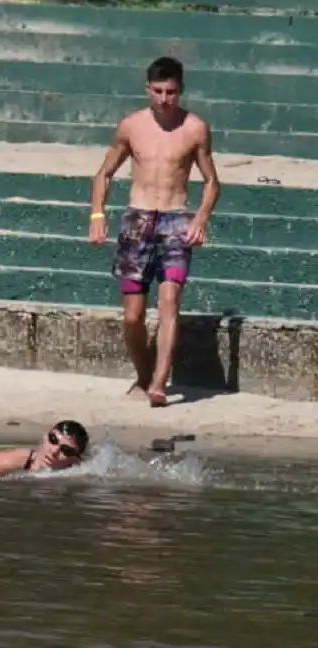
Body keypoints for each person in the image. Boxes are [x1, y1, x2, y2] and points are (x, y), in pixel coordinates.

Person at [88, 56, 221, 408]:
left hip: (176, 219)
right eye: (158, 91)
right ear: (148, 89)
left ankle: (160, 383)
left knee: (170, 302)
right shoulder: (131, 126)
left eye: (171, 92)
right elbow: (103, 173)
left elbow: (211, 181)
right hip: (138, 220)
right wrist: (98, 214)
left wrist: (201, 218)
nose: (164, 99)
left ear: (181, 90)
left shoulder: (195, 128)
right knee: (133, 316)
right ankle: (144, 376)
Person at [0, 420, 89, 479]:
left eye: (66, 450)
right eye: (53, 439)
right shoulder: (15, 460)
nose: (53, 451)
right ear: (44, 436)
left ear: (76, 459)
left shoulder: (79, 474)